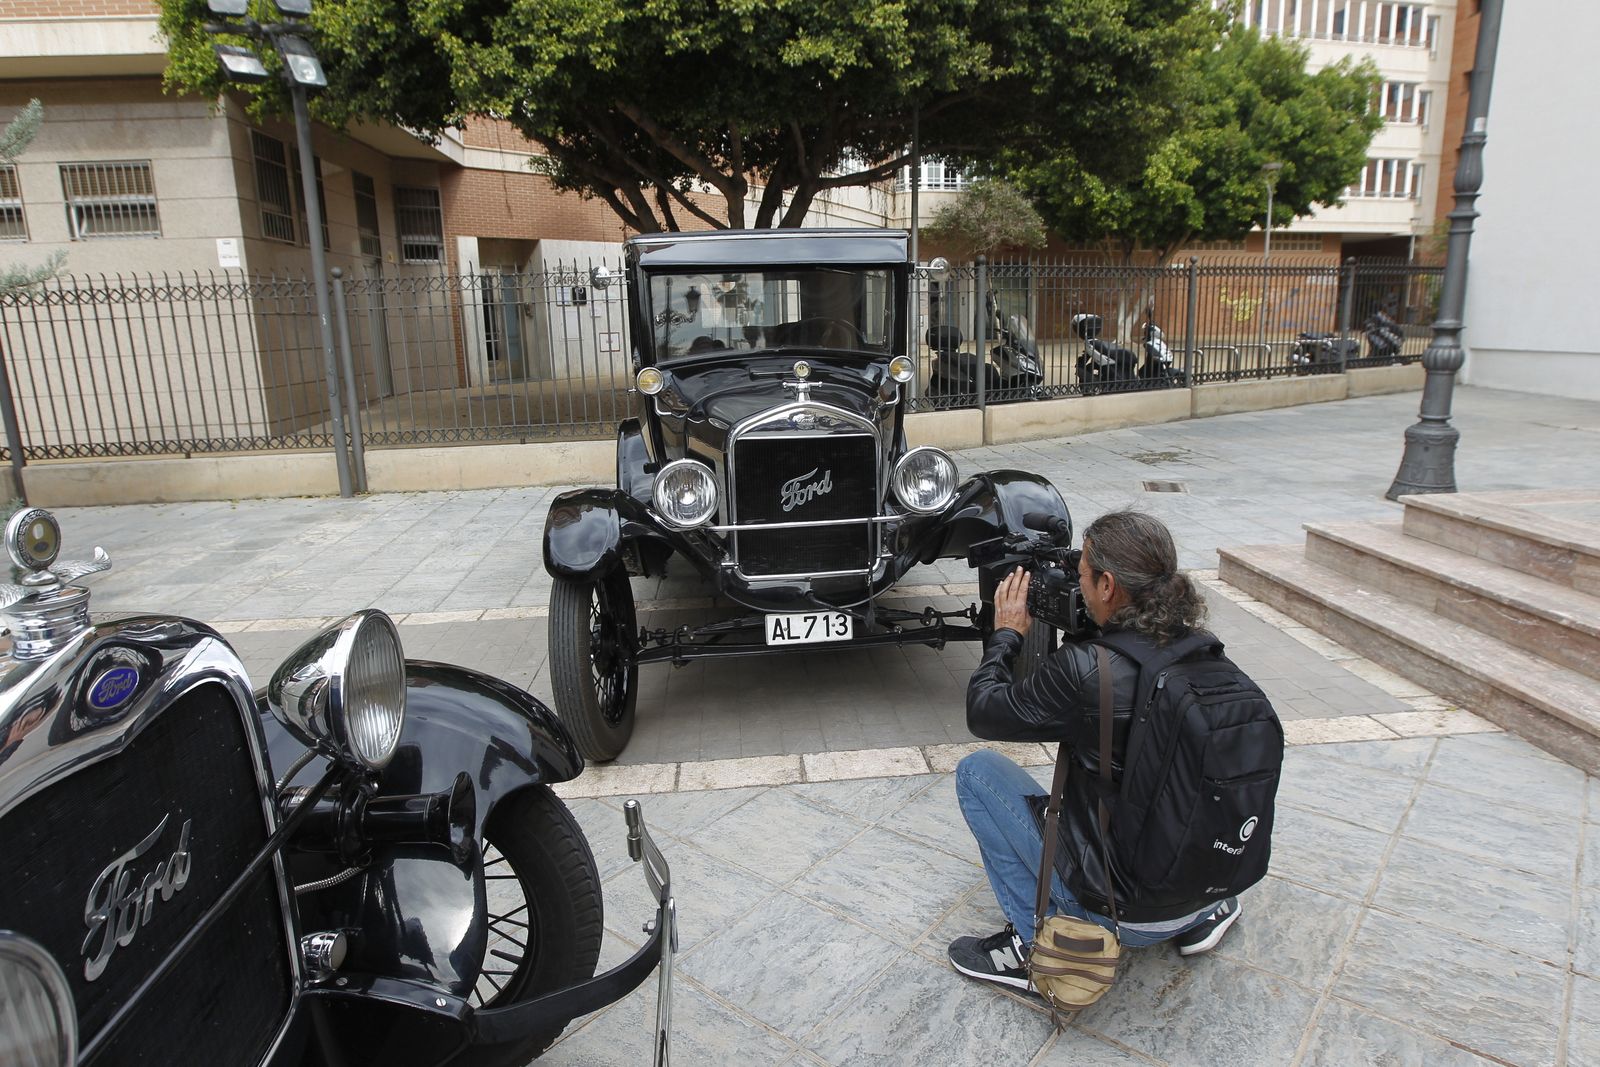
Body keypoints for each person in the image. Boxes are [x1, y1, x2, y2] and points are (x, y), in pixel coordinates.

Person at [947, 509, 1241, 992]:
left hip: (1123, 913)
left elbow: (985, 712)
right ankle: (1204, 916)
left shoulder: (1087, 671)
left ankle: (1032, 945)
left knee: (977, 772)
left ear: (1107, 586)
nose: (1075, 586)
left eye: (1081, 575)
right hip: (1210, 886)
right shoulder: (1208, 653)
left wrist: (1006, 635)